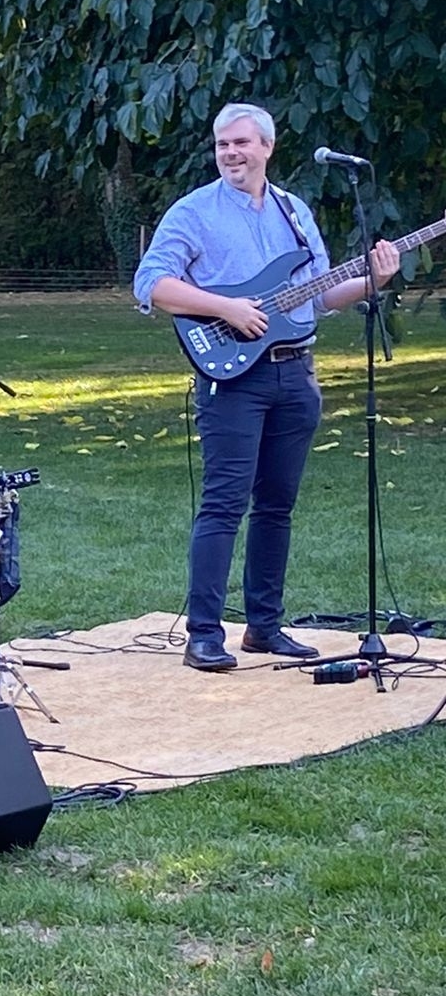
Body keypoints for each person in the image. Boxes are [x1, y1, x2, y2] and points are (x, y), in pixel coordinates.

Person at [134, 103, 399, 671]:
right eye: (222, 144)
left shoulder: (294, 211)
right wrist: (225, 306)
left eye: (241, 143)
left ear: (267, 148)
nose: (231, 153)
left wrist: (373, 278)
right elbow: (151, 283)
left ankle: (264, 626)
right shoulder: (195, 211)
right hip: (233, 378)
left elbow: (321, 296)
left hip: (295, 373)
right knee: (224, 503)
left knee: (277, 505)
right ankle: (204, 633)